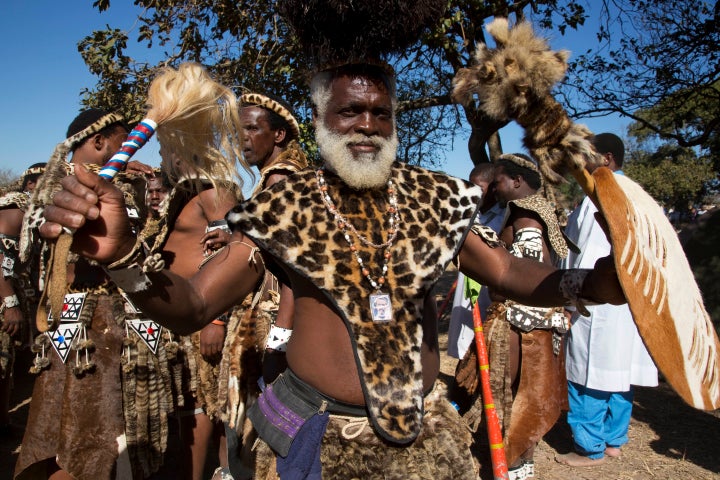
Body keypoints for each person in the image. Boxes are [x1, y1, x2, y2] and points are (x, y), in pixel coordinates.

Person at [39, 64, 624, 479]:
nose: (366, 125)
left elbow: (504, 270)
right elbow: (192, 306)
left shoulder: (434, 199)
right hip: (315, 442)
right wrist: (121, 260)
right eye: (350, 111)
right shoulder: (281, 209)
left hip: (420, 442)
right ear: (321, 121)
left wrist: (591, 284)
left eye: (380, 113)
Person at [13, 108, 178, 480]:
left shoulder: (119, 185)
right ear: (99, 142)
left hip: (131, 316)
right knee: (79, 425)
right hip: (87, 321)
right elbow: (43, 231)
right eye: (123, 143)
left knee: (131, 420)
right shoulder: (62, 185)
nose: (129, 153)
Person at [457, 153, 572, 480]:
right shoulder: (540, 209)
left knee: (516, 395)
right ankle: (519, 464)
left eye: (499, 181)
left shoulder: (524, 213)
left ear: (517, 182)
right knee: (527, 394)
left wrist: (502, 291)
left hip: (522, 323)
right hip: (539, 320)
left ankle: (513, 465)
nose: (494, 188)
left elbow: (528, 266)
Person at [217, 92, 308, 480]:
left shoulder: (280, 179)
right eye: (239, 131)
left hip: (273, 317)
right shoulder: (280, 178)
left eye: (252, 129)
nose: (243, 139)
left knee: (261, 422)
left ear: (280, 135)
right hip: (272, 314)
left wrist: (279, 338)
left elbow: (291, 267)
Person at [555, 133, 658, 467]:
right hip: (626, 306)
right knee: (616, 370)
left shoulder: (606, 195)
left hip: (600, 302)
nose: (580, 164)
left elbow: (593, 256)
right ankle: (613, 439)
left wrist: (573, 299)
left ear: (608, 159)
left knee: (589, 371)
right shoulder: (634, 194)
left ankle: (590, 446)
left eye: (586, 157)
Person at [0, 163, 45, 437]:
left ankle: (2, 423)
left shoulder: (33, 212)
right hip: (5, 299)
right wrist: (10, 303)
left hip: (16, 294)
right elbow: (1, 256)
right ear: (30, 185)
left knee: (7, 362)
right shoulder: (15, 209)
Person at [447, 162, 504, 360]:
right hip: (467, 286)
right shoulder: (470, 214)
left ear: (493, 188)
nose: (473, 192)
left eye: (479, 188)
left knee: (485, 349)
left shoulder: (503, 218)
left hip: (487, 292)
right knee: (464, 350)